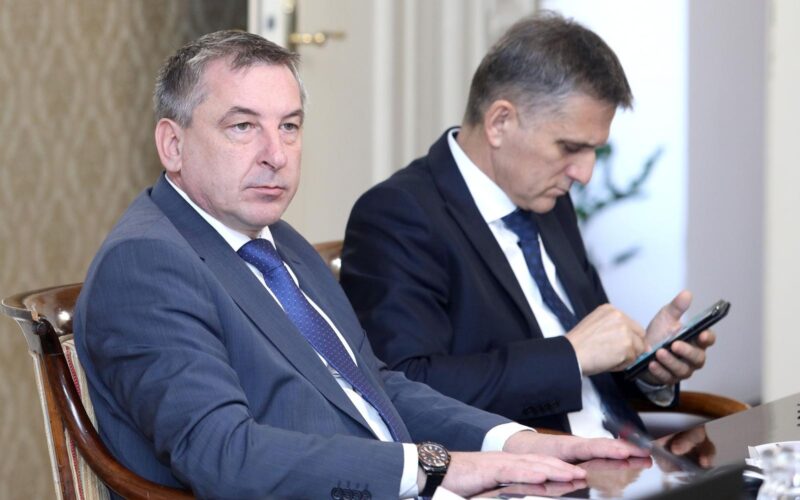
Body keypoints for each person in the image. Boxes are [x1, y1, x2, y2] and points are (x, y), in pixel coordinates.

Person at [73, 30, 646, 499]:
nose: (275, 155)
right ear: (172, 145)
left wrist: (512, 442)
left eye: (289, 126)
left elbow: (378, 386)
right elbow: (224, 455)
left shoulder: (277, 239)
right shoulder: (146, 262)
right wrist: (435, 467)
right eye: (242, 126)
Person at [340, 13, 716, 438]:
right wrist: (570, 356)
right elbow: (406, 389)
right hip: (532, 466)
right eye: (570, 147)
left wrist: (648, 365)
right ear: (500, 122)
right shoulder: (399, 214)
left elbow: (591, 372)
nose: (584, 174)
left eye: (593, 151)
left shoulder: (550, 201)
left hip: (626, 457)